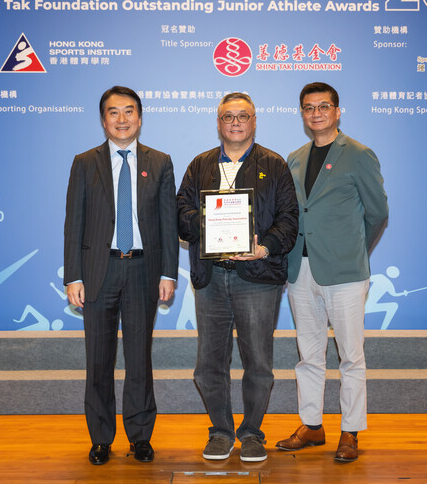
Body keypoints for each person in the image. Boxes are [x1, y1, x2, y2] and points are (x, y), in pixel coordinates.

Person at [177, 92, 298, 463]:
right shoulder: (199, 165)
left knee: (258, 361)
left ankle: (252, 433)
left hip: (257, 276)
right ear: (218, 123)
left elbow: (289, 220)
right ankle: (220, 431)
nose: (235, 122)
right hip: (211, 277)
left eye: (242, 116)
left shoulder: (274, 165)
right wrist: (208, 225)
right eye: (227, 116)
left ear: (254, 121)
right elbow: (180, 213)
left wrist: (264, 248)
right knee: (209, 363)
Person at [63, 86, 178, 465]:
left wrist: (168, 272)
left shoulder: (160, 162)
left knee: (139, 359)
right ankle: (100, 438)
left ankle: (140, 437)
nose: (122, 119)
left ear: (140, 118)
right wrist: (73, 276)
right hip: (99, 270)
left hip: (144, 269)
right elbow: (73, 223)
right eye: (114, 112)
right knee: (98, 359)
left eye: (129, 111)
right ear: (103, 119)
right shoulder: (84, 162)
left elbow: (167, 223)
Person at [277, 82, 388, 463]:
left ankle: (350, 430)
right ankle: (311, 425)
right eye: (308, 107)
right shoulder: (294, 157)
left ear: (338, 111)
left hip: (344, 271)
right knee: (308, 354)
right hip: (299, 268)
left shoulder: (358, 154)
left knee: (350, 356)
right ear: (302, 114)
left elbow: (377, 214)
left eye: (324, 106)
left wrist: (353, 250)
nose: (316, 113)